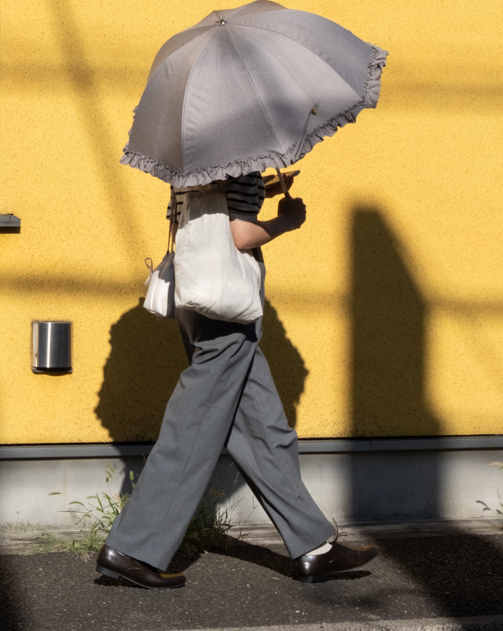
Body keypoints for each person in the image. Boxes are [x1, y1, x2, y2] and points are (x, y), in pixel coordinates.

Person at [96, 170, 378, 589]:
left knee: (264, 429)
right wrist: (287, 219)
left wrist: (260, 188)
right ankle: (133, 547)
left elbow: (209, 212)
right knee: (192, 427)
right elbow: (239, 234)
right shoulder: (233, 154)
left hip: (200, 296)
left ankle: (313, 546)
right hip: (225, 309)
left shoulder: (196, 156)